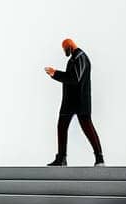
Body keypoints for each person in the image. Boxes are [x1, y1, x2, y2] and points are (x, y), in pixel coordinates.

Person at [45, 38, 104, 166]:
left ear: (69, 46)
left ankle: (99, 159)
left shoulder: (80, 57)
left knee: (87, 128)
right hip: (69, 102)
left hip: (80, 101)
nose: (64, 51)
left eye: (64, 48)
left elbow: (75, 78)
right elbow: (72, 77)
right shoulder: (74, 58)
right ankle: (61, 159)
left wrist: (55, 73)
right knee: (61, 127)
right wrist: (55, 74)